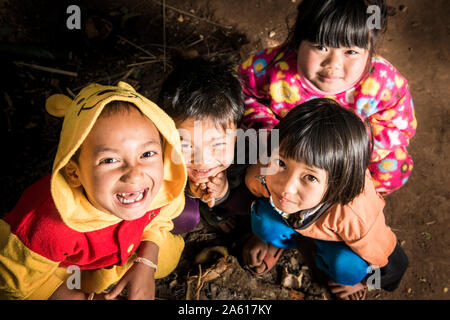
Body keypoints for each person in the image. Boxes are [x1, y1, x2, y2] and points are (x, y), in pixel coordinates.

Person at [0, 82, 187, 299]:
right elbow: (13, 284)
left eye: (147, 154)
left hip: (117, 255)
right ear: (74, 173)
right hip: (66, 268)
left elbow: (158, 218)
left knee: (166, 258)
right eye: (110, 160)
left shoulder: (155, 185)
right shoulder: (49, 228)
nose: (135, 174)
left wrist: (146, 261)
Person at [238, 0, 417, 196]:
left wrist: (351, 155)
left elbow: (398, 127)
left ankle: (345, 200)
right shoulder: (269, 68)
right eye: (321, 46)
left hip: (349, 156)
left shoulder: (385, 82)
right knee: (248, 158)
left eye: (351, 52)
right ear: (297, 42)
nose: (333, 64)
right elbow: (244, 92)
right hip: (289, 152)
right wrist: (273, 134)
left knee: (394, 170)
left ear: (370, 50)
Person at [242, 98, 409, 300]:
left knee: (347, 267)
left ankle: (347, 279)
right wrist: (262, 235)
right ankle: (276, 241)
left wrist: (366, 282)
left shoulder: (355, 215)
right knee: (265, 222)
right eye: (281, 163)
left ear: (338, 184)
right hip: (291, 218)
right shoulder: (263, 174)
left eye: (310, 177)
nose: (286, 187)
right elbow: (254, 184)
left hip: (336, 239)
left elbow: (386, 258)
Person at [158, 57, 254, 234]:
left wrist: (222, 191)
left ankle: (218, 212)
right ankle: (208, 212)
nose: (203, 161)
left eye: (217, 144)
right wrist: (190, 191)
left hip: (231, 192)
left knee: (244, 199)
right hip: (181, 197)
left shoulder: (247, 155)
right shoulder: (159, 159)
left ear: (237, 135)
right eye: (186, 145)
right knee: (182, 214)